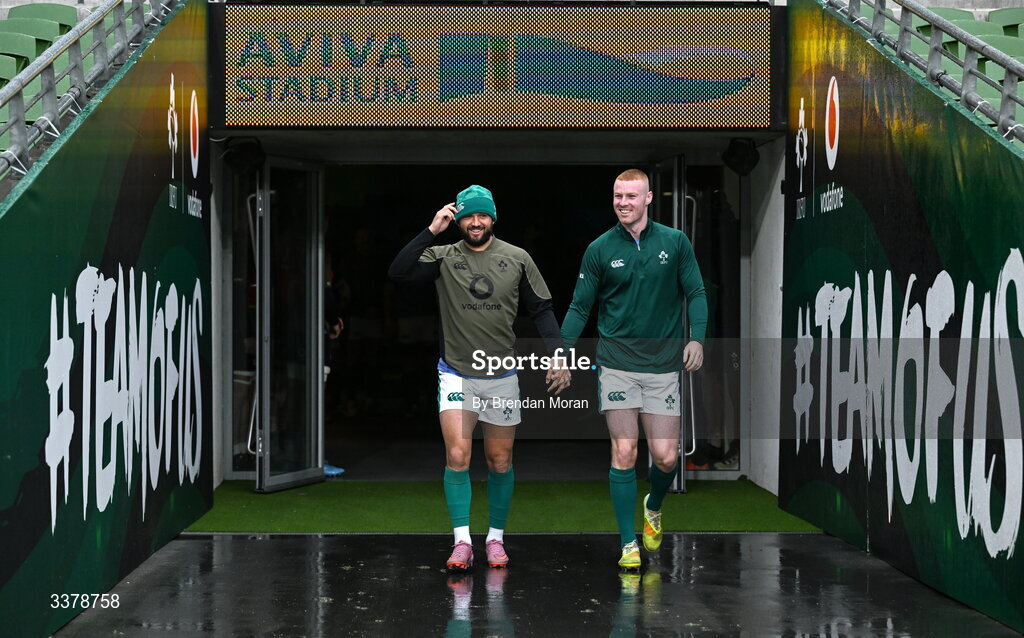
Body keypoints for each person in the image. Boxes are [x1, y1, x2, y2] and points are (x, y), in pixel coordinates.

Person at [389, 185, 570, 571]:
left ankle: (495, 539)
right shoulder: (441, 255)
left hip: (501, 375)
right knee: (457, 456)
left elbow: (543, 310)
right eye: (468, 215)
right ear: (459, 219)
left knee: (500, 460)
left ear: (493, 218)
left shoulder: (518, 258)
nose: (475, 222)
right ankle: (461, 543)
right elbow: (398, 271)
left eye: (482, 215)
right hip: (455, 373)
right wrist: (432, 229)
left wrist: (559, 354)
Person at [561, 169, 707, 570]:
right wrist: (562, 353)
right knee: (624, 451)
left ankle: (654, 506)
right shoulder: (599, 248)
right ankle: (628, 543)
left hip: (663, 367)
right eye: (617, 195)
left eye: (630, 195)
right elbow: (579, 307)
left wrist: (697, 338)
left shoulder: (675, 242)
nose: (622, 202)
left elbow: (695, 291)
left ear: (648, 199)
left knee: (664, 457)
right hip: (617, 364)